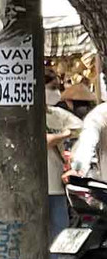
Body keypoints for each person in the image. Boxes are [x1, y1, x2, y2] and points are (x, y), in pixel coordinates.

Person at [47, 104, 81, 242]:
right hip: (38, 187)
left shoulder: (56, 113)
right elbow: (46, 141)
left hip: (57, 186)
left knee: (60, 235)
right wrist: (66, 133)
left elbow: (80, 126)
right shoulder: (30, 115)